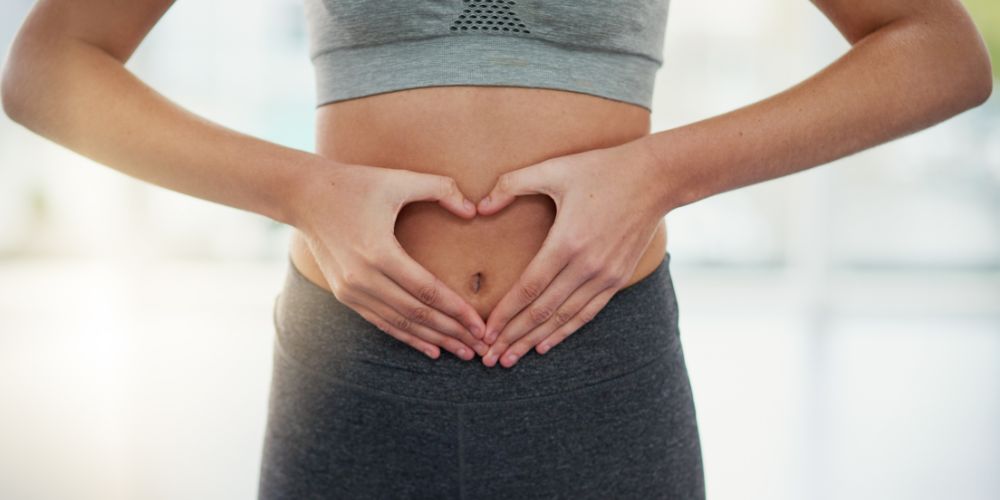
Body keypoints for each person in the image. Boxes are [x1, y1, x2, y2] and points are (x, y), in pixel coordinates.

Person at [1, 0, 991, 498]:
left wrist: (659, 174)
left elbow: (936, 50)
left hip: (600, 377)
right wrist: (302, 190)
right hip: (354, 375)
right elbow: (50, 65)